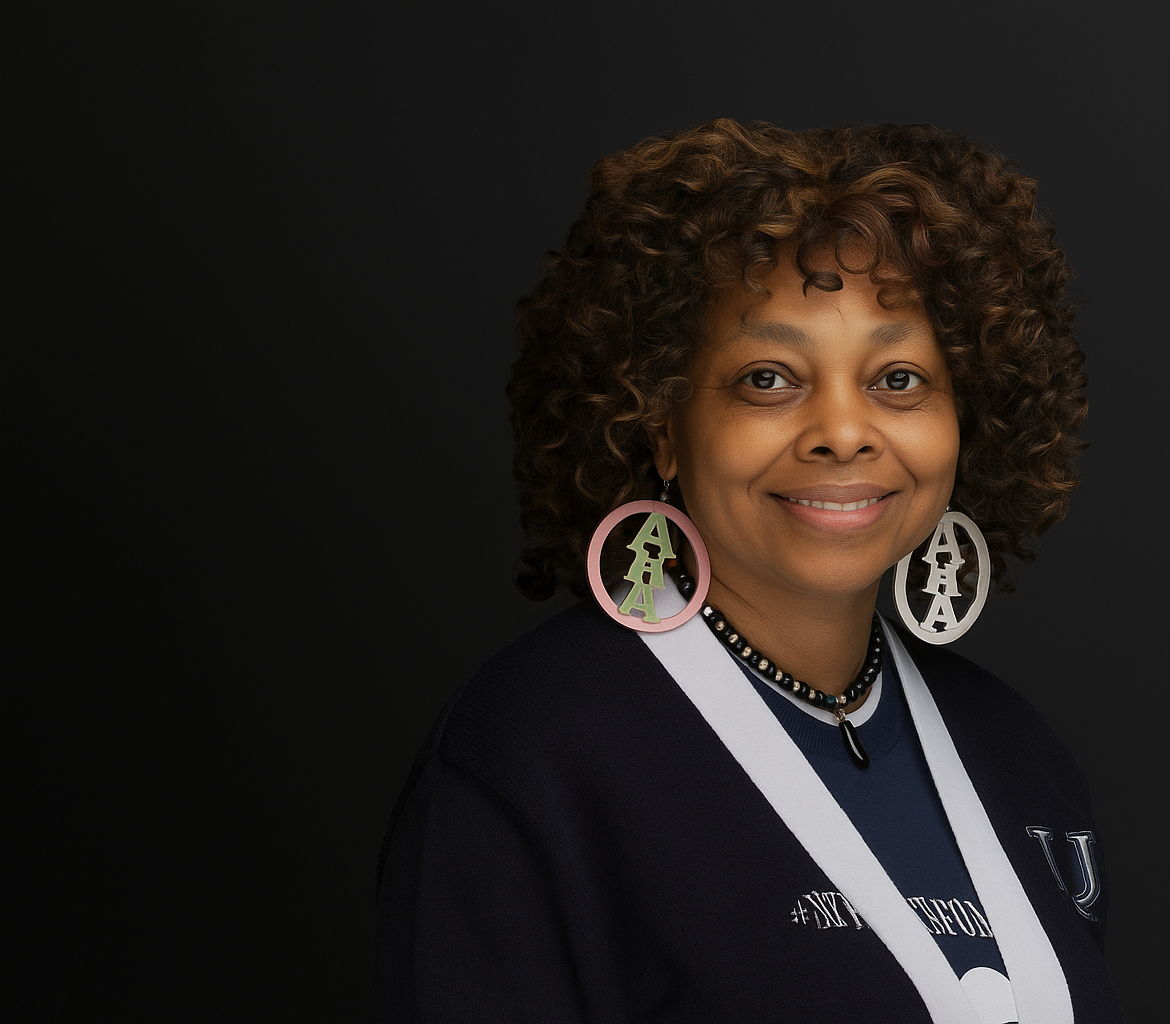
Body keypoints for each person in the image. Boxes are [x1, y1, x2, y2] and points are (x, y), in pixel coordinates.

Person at [375, 118, 1121, 1023]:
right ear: (658, 422)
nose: (844, 431)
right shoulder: (531, 761)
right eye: (769, 378)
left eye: (898, 380)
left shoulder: (1020, 756)